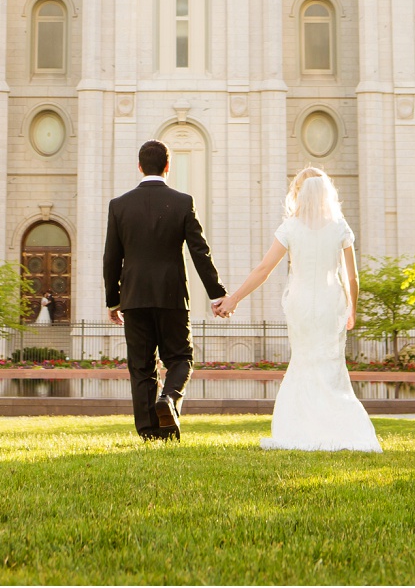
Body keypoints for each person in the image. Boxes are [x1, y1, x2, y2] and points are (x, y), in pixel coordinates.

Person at [214, 166, 382, 452]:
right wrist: (352, 309)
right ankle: (342, 429)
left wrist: (234, 299)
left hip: (301, 304)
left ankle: (300, 429)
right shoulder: (340, 226)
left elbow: (264, 269)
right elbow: (352, 277)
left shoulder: (290, 227)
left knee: (304, 362)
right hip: (332, 303)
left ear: (298, 193)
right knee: (330, 365)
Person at [103, 138, 226, 441]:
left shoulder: (119, 206)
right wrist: (217, 292)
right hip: (172, 295)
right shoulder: (183, 202)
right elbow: (200, 251)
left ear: (140, 166)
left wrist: (113, 300)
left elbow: (111, 257)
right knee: (180, 358)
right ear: (168, 167)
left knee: (141, 367)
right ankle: (169, 398)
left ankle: (149, 432)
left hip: (133, 298)